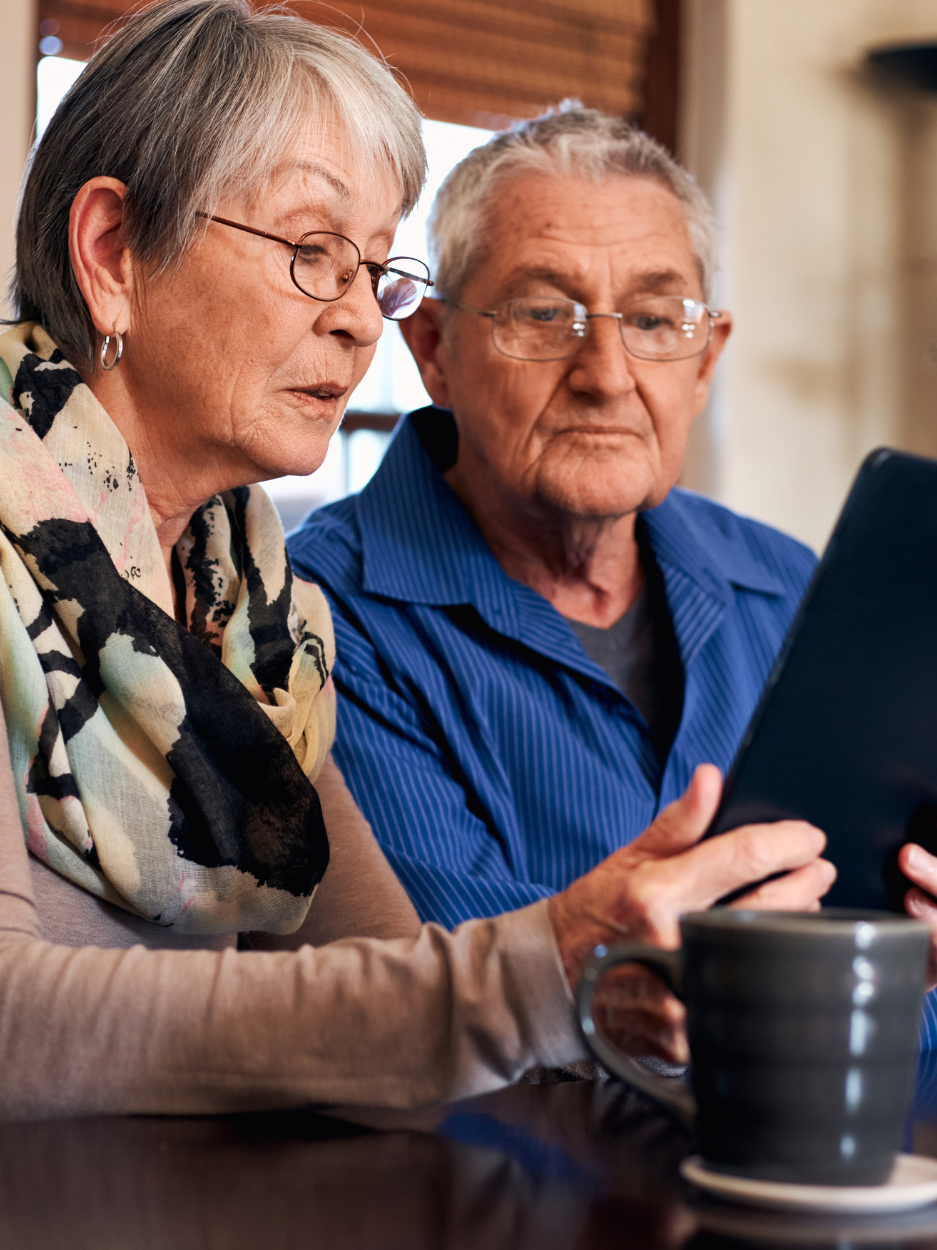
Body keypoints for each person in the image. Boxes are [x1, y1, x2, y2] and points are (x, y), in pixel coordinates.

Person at [0, 0, 845, 1119]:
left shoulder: (250, 611)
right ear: (113, 254)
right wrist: (543, 966)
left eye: (368, 266)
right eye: (310, 252)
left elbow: (394, 1036)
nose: (357, 320)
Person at [287, 107, 937, 1045]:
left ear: (705, 358)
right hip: (511, 1185)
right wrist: (850, 984)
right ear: (433, 350)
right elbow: (461, 1010)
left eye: (654, 318)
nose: (606, 372)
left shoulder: (789, 585)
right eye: (544, 313)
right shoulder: (316, 619)